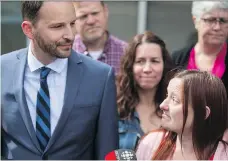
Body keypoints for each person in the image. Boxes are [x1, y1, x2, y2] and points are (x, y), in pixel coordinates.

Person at [1, 1, 118, 160]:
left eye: (72, 23)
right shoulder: (3, 70)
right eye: (57, 27)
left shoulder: (101, 77)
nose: (70, 35)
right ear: (29, 29)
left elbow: (107, 152)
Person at [136, 70, 228, 160]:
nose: (162, 105)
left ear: (203, 113)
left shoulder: (223, 156)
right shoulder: (150, 144)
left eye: (174, 99)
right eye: (167, 95)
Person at [117, 31, 174, 150]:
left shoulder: (175, 110)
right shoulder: (114, 109)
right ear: (130, 66)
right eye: (140, 61)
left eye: (154, 61)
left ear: (164, 65)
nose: (147, 69)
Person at [172, 1, 228, 94]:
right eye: (210, 20)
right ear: (195, 21)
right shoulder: (177, 59)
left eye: (223, 21)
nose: (217, 27)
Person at [72, 1, 127, 74]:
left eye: (95, 13)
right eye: (83, 16)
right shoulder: (65, 54)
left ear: (106, 11)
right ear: (72, 20)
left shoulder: (126, 53)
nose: (91, 21)